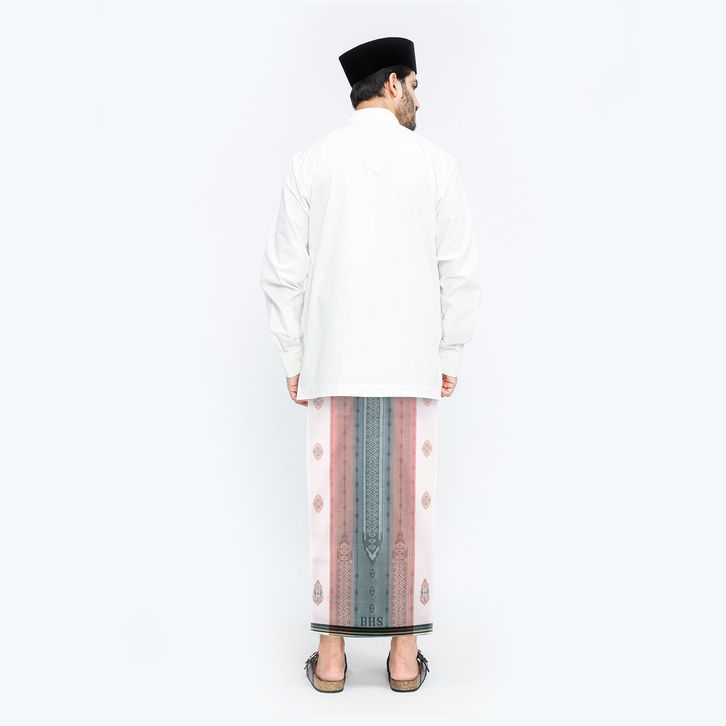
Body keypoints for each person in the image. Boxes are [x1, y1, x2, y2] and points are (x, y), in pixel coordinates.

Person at [259, 36, 480, 692]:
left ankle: (331, 660)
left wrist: (293, 354)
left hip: (334, 358)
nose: (418, 100)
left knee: (332, 504)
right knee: (411, 503)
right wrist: (450, 349)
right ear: (391, 84)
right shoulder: (435, 164)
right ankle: (403, 659)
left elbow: (284, 270)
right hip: (411, 361)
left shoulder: (312, 162)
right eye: (413, 86)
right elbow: (459, 269)